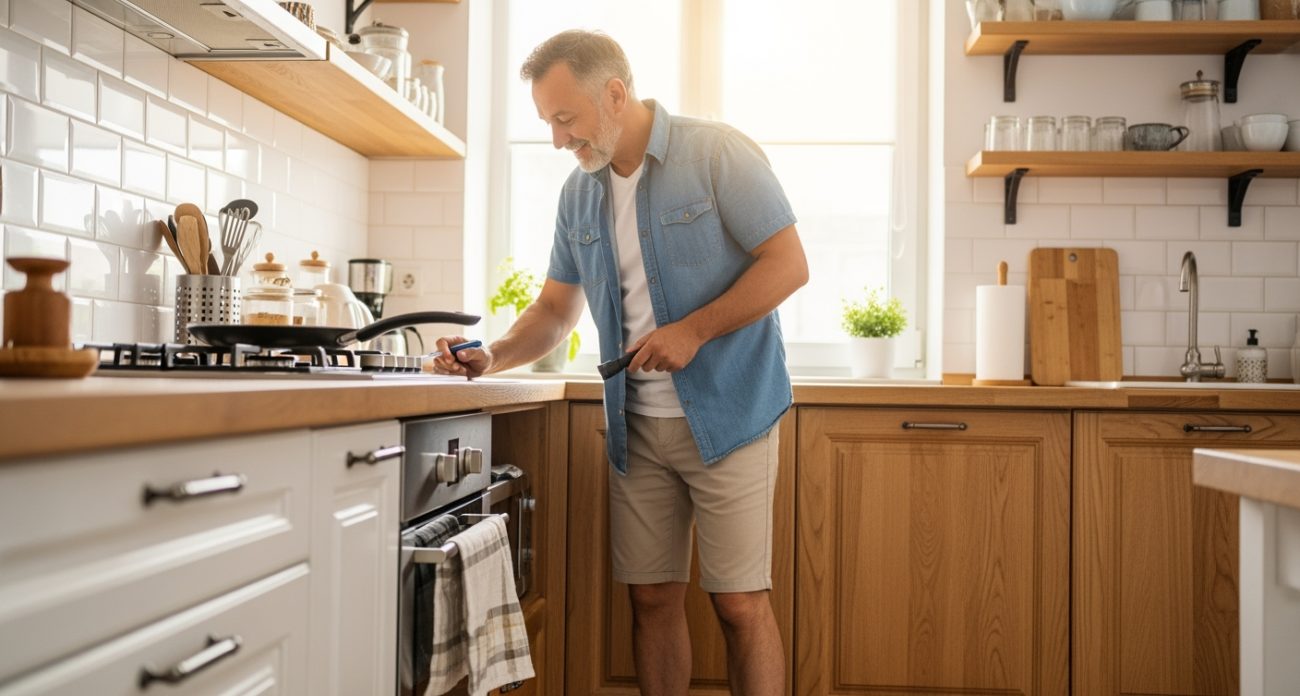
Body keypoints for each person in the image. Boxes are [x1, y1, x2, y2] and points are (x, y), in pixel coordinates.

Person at [432, 29, 807, 696]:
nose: (557, 140)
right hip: (637, 428)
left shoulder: (717, 152)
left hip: (732, 415)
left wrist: (692, 331)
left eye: (565, 118)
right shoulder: (578, 195)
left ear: (614, 94)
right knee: (652, 599)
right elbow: (555, 310)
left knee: (739, 604)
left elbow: (789, 265)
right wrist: (492, 355)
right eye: (548, 123)